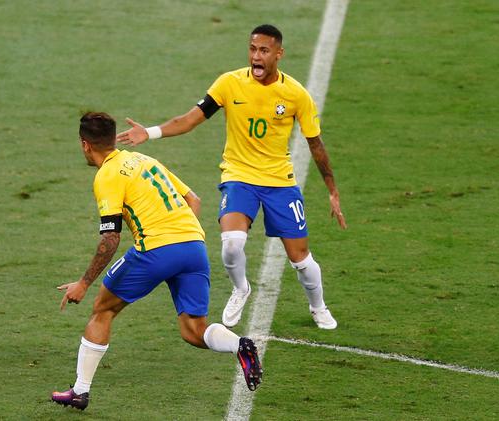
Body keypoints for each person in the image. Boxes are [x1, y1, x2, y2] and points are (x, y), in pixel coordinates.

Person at [116, 24, 347, 330]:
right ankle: (241, 289)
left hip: (280, 183)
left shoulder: (295, 95)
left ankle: (318, 306)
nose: (256, 56)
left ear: (279, 54)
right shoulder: (229, 83)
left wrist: (332, 190)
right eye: (252, 49)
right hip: (239, 177)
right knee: (232, 244)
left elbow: (315, 144)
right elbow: (189, 120)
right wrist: (150, 132)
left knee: (301, 259)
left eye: (264, 51)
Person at [51, 111, 262, 411]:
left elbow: (110, 239)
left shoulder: (107, 176)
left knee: (102, 310)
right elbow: (194, 200)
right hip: (193, 246)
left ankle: (80, 391)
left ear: (85, 145)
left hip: (154, 249)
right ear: (112, 139)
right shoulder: (145, 160)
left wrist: (84, 283)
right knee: (193, 329)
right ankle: (238, 345)